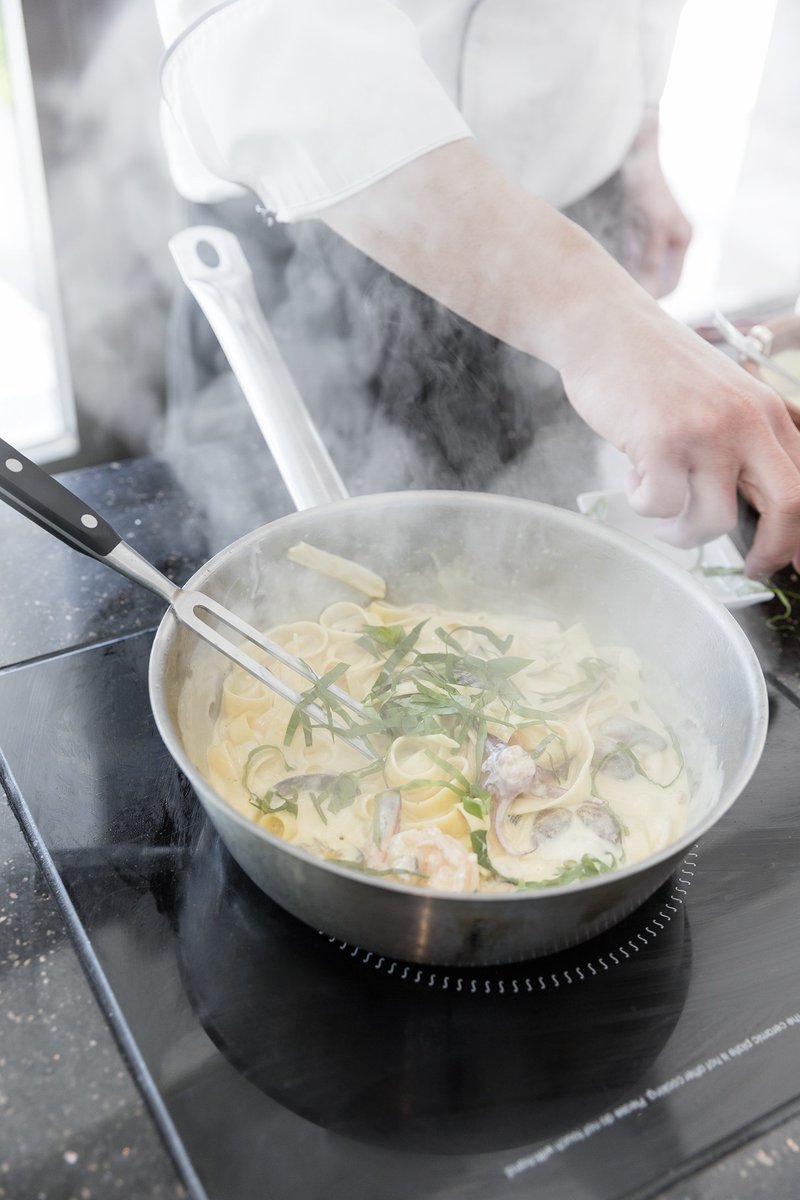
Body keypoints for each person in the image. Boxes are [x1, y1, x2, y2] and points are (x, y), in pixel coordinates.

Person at [152, 0, 800, 580]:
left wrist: (641, 133)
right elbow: (267, 42)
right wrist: (601, 325)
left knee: (537, 577)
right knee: (286, 590)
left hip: (575, 207)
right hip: (330, 223)